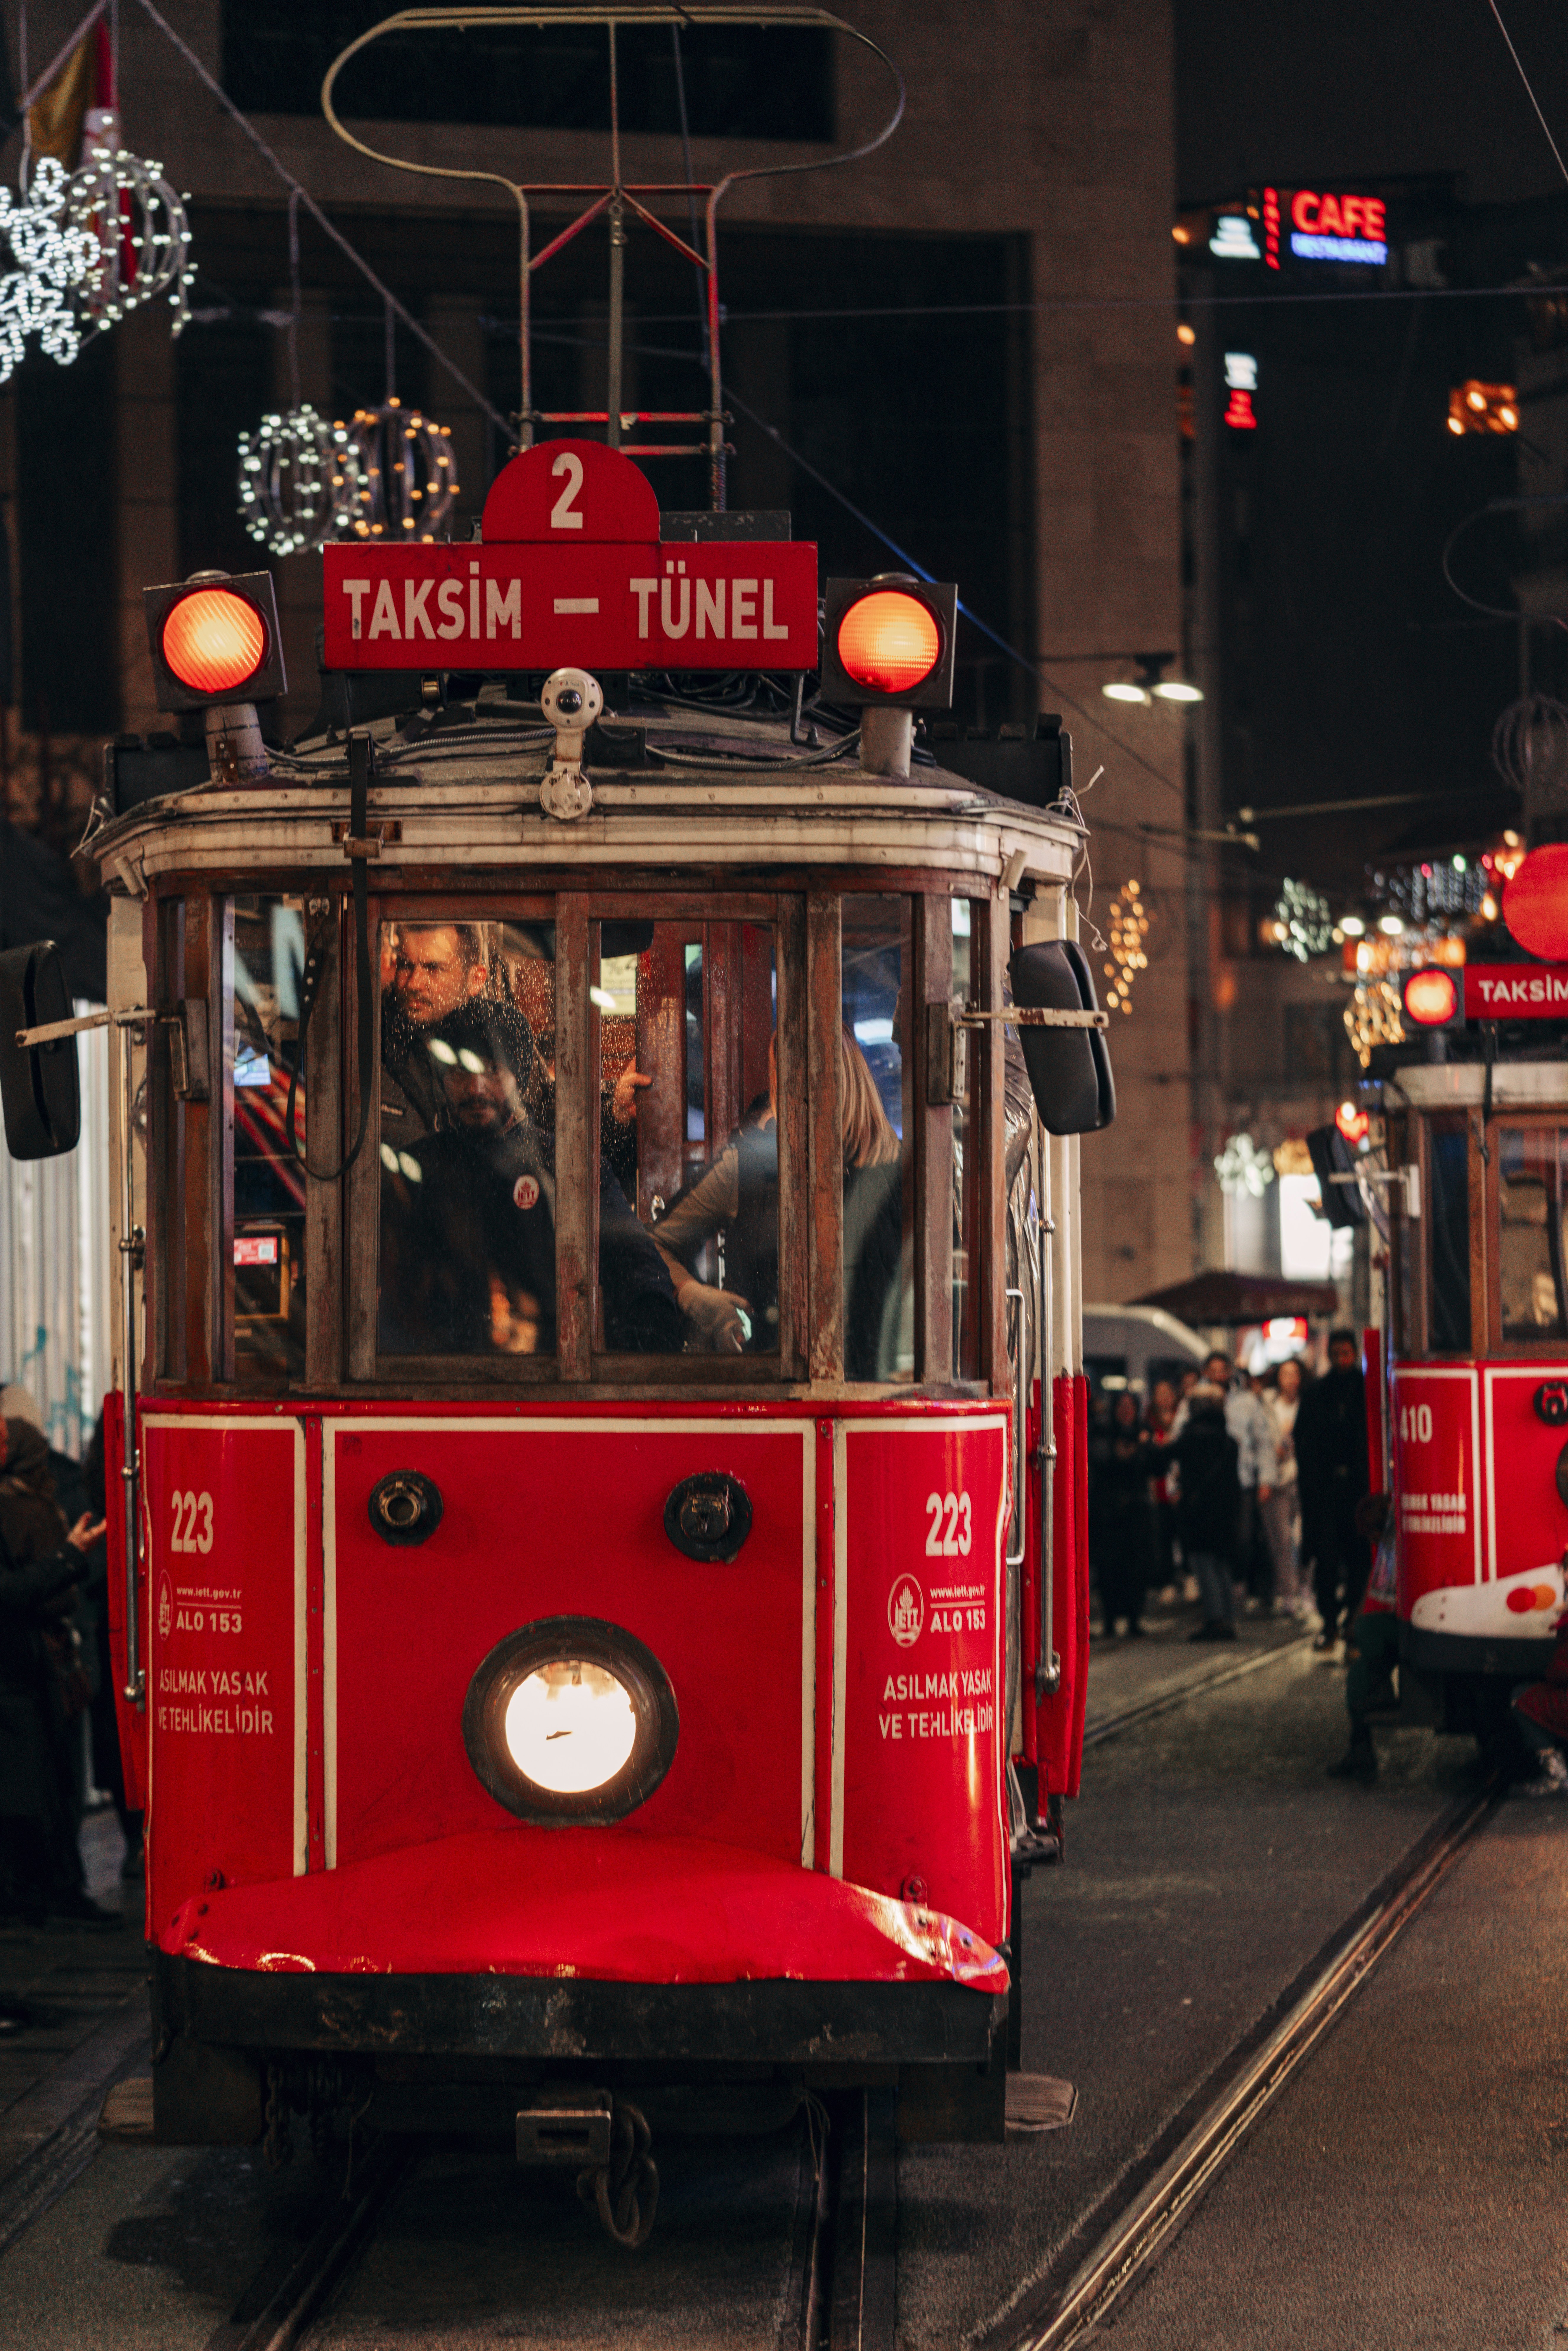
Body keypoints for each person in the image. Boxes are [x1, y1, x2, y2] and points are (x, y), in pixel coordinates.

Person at [382, 997, 683, 1357]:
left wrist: (644, 1361)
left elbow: (639, 1267)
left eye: (493, 1068)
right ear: (443, 1077)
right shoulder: (415, 1169)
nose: (476, 1088)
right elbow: (384, 1283)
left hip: (547, 1381)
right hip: (438, 1382)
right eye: (460, 1070)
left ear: (519, 1075)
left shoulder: (567, 1165)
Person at [654, 1029, 904, 1376]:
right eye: (781, 1073)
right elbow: (654, 1245)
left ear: (845, 1080)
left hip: (878, 1396)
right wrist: (695, 1296)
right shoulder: (748, 1165)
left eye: (808, 1073)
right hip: (769, 1388)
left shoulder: (903, 1176)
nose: (796, 1089)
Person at [0, 1418, 112, 1923]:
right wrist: (70, 1556)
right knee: (44, 1785)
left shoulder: (34, 1496)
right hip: (26, 1664)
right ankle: (49, 1893)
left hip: (39, 1661)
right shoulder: (22, 1504)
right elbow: (14, 1593)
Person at [1295, 1328, 1371, 1651]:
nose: (1342, 1359)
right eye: (1337, 1353)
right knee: (1325, 1559)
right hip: (1325, 1491)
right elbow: (1304, 1441)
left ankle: (1353, 1620)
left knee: (1358, 1559)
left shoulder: (1366, 1389)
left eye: (1347, 1353)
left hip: (1358, 1491)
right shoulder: (1317, 1393)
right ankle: (1329, 1621)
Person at [1328, 1494, 1397, 1785]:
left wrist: (1360, 1626)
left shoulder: (1398, 1547)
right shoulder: (1387, 1548)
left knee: (1368, 1632)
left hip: (1405, 1628)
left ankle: (1379, 1680)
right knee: (1357, 1678)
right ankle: (1360, 1750)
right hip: (1392, 1628)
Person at [1172, 1381, 1241, 1641]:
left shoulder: (1192, 1436)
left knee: (1204, 1563)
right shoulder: (1228, 1440)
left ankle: (1215, 1619)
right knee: (1222, 1564)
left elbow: (1165, 1458)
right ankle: (1228, 1618)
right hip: (1225, 1512)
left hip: (1200, 1511)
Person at [1088, 1390, 1156, 1638]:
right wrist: (1117, 1455)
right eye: (1122, 1406)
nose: (1126, 1411)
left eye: (1131, 1406)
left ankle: (1134, 1619)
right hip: (1109, 1513)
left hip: (1137, 1512)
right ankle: (1110, 1621)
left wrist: (1143, 1446)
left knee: (1137, 1568)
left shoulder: (1143, 1432)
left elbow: (1156, 1464)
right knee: (1110, 1569)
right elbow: (1097, 1458)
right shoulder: (1104, 1432)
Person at [1260, 1356, 1307, 1616]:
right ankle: (1288, 1592)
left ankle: (1306, 1589)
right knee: (1282, 1540)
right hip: (1277, 1480)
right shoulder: (1269, 1406)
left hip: (1300, 1478)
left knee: (1302, 1539)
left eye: (1295, 1374)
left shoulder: (1306, 1405)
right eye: (1285, 1374)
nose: (1290, 1380)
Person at [1147, 1378, 1180, 1602]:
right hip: (1159, 1489)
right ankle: (1166, 1580)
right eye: (1158, 1394)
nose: (1163, 1399)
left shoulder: (1181, 1419)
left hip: (1178, 1487)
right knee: (1163, 1537)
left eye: (1167, 1393)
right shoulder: (1149, 1423)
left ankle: (1184, 1578)